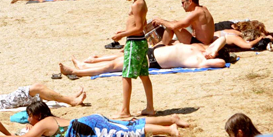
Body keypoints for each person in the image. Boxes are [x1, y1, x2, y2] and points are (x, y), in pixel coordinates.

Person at [59, 35, 230, 77]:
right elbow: (223, 38)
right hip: (152, 52)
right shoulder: (201, 49)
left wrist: (214, 55)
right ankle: (84, 65)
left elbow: (222, 62)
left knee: (111, 67)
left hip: (153, 61)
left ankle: (76, 72)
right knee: (117, 60)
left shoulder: (201, 61)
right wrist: (214, 49)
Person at [152, 0, 265, 50]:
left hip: (200, 43)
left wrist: (161, 21)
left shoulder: (196, 13)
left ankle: (160, 47)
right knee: (173, 26)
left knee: (171, 27)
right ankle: (162, 44)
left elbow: (176, 26)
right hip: (205, 40)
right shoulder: (203, 9)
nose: (182, 6)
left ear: (190, 1)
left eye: (183, 3)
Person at [112, 0, 154, 118]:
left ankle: (125, 110)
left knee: (126, 76)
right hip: (139, 41)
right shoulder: (141, 1)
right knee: (143, 75)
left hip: (135, 41)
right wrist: (124, 32)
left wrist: (122, 35)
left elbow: (139, 28)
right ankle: (150, 107)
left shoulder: (137, 4)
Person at [70, 114, 187, 136]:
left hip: (84, 127)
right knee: (131, 124)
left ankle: (170, 130)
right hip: (86, 122)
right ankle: (171, 119)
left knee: (130, 131)